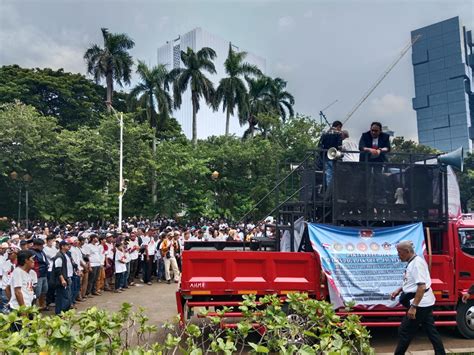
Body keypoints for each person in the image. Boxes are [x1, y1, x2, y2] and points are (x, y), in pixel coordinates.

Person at [390, 241, 445, 355]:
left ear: (407, 251)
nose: (398, 255)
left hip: (420, 304)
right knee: (431, 331)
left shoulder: (416, 264)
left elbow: (421, 286)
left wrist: (413, 307)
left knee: (404, 331)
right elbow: (412, 282)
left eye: (399, 252)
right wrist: (399, 290)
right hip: (424, 302)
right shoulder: (413, 262)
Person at [318, 120, 343, 188]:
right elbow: (339, 146)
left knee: (328, 173)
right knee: (336, 173)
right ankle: (335, 191)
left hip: (326, 155)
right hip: (335, 156)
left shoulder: (325, 133)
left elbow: (320, 145)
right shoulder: (339, 134)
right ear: (338, 126)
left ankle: (329, 191)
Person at [52, 240, 74, 314]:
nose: (69, 246)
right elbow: (58, 269)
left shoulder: (65, 255)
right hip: (61, 280)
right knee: (62, 297)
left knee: (66, 296)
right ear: (62, 246)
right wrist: (62, 279)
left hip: (66, 277)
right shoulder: (59, 256)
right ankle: (60, 313)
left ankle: (63, 312)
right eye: (67, 245)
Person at [30, 238, 49, 310]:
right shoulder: (32, 252)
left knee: (44, 291)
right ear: (36, 245)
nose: (42, 247)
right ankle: (32, 307)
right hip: (38, 275)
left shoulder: (41, 251)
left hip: (44, 273)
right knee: (37, 293)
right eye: (41, 245)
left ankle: (42, 306)